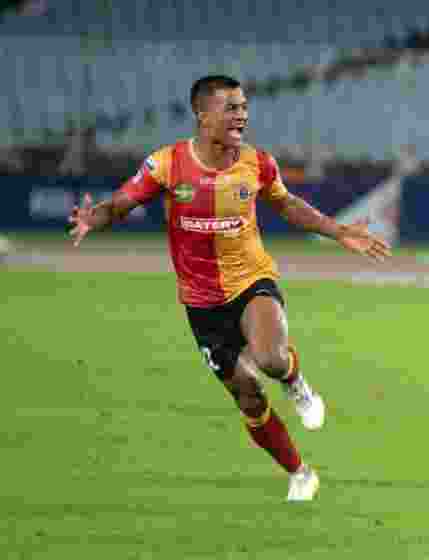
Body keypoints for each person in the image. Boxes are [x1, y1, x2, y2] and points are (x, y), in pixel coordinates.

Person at [67, 75, 392, 502]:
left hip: (250, 280)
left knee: (271, 359)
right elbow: (120, 204)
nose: (241, 114)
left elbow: (287, 204)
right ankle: (299, 472)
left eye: (243, 106)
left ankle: (295, 381)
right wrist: (95, 218)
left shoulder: (258, 163)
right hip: (201, 304)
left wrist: (338, 231)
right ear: (203, 115)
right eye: (231, 107)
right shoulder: (166, 164)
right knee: (248, 395)